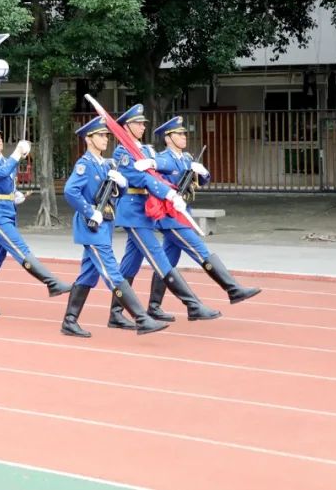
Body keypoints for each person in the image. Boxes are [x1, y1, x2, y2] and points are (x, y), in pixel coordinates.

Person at [107, 105, 220, 328]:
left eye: (143, 123)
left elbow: (160, 170)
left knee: (129, 266)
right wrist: (167, 192)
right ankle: (193, 305)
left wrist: (166, 178)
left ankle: (116, 313)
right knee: (159, 257)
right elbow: (142, 180)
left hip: (146, 211)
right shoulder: (122, 151)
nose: (142, 126)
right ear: (126, 127)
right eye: (138, 123)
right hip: (132, 212)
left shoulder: (147, 151)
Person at [60, 117, 167, 337]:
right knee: (112, 272)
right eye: (100, 135)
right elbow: (70, 192)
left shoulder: (107, 164)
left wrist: (122, 183)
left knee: (87, 276)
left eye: (106, 135)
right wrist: (91, 212)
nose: (105, 139)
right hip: (92, 227)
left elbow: (119, 193)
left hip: (104, 226)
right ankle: (142, 318)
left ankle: (70, 321)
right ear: (89, 139)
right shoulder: (85, 164)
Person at [147, 116, 261, 318]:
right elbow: (152, 168)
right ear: (168, 138)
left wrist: (203, 173)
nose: (184, 137)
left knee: (166, 262)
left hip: (183, 215)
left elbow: (202, 179)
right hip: (170, 217)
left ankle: (154, 307)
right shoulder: (164, 158)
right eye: (179, 134)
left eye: (184, 133)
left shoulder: (186, 158)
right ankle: (232, 289)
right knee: (201, 251)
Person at [0, 120, 70, 316]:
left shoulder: (2, 159)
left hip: (6, 211)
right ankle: (51, 283)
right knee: (20, 249)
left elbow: (4, 184)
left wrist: (14, 196)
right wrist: (17, 153)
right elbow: (0, 174)